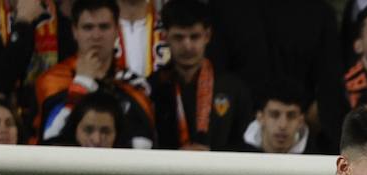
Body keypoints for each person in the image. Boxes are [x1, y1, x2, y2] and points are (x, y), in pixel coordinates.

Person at [34, 0, 155, 148]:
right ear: (74, 31)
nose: (96, 36)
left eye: (104, 27)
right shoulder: (51, 80)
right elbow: (50, 138)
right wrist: (82, 83)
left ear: (117, 30)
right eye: (88, 28)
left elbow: (145, 142)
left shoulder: (135, 84)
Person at [148, 0, 251, 151]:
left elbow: (245, 144)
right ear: (165, 37)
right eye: (179, 37)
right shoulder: (153, 87)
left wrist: (211, 157)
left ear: (207, 36)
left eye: (194, 37)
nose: (187, 46)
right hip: (167, 173)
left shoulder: (232, 88)